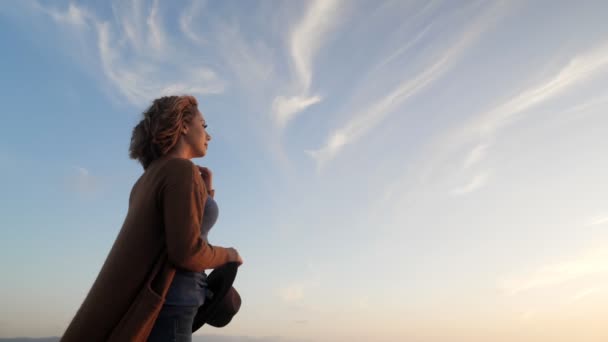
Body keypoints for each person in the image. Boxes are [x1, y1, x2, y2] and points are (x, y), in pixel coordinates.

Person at [61, 95, 243, 342]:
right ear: (184, 125)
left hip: (164, 304)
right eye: (204, 125)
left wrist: (206, 193)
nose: (208, 135)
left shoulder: (149, 178)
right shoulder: (181, 170)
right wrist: (229, 255)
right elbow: (187, 252)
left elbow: (180, 231)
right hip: (175, 302)